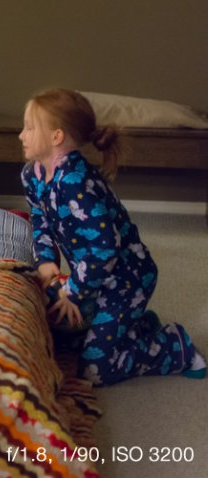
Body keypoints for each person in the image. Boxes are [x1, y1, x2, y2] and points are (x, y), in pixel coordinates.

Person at [19, 88, 205, 386]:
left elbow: (105, 249)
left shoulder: (76, 184)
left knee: (95, 369)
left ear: (56, 136)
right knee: (55, 321)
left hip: (127, 279)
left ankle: (172, 347)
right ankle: (137, 327)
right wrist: (45, 261)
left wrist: (75, 293)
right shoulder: (33, 175)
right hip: (93, 276)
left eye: (29, 128)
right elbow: (39, 219)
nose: (21, 135)